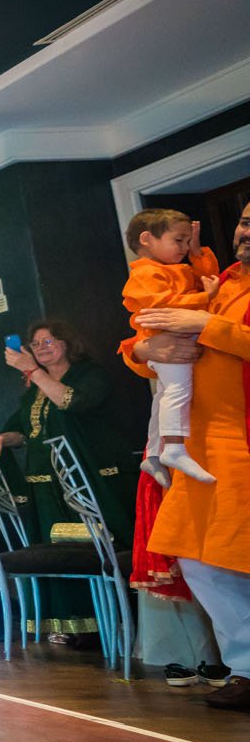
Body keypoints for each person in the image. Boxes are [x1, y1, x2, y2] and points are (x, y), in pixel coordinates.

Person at [127, 201, 250, 711]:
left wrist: (201, 323)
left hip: (241, 440)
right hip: (199, 445)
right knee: (201, 560)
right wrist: (140, 352)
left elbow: (203, 332)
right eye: (243, 221)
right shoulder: (217, 280)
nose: (246, 231)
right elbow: (144, 341)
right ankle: (245, 666)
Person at [0, 319, 136, 644]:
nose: (42, 348)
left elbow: (71, 401)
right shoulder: (34, 391)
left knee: (103, 551)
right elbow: (25, 429)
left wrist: (33, 372)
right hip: (49, 489)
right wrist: (3, 437)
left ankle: (120, 624)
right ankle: (73, 626)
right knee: (61, 552)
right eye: (36, 344)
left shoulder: (90, 375)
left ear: (67, 343)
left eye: (49, 341)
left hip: (92, 484)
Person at [122, 208, 220, 484]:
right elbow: (166, 306)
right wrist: (203, 298)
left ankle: (153, 453)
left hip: (172, 339)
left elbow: (211, 280)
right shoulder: (145, 274)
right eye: (179, 240)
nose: (184, 247)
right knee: (177, 390)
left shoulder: (172, 268)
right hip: (169, 339)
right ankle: (174, 449)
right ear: (146, 239)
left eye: (187, 241)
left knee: (164, 397)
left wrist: (197, 250)